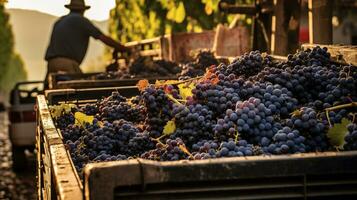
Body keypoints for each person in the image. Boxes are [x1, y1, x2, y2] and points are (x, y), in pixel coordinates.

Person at [44, 0, 130, 87]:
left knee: (51, 91)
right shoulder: (81, 20)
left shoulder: (59, 21)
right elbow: (102, 37)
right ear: (83, 10)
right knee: (78, 90)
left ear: (70, 9)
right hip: (67, 64)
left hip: (51, 63)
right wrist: (122, 48)